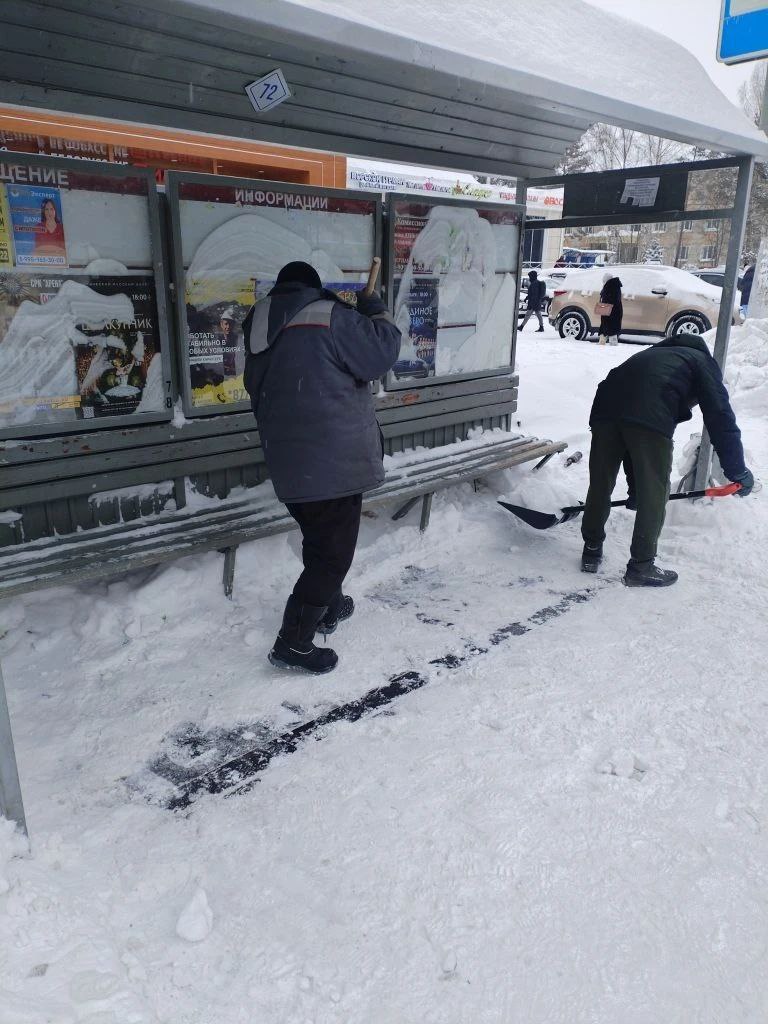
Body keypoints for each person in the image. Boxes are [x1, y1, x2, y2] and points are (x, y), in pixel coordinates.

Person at [243, 261, 401, 674]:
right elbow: (382, 351)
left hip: (289, 458)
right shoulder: (330, 317)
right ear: (312, 288)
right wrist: (373, 307)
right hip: (335, 460)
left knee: (320, 537)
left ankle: (329, 607)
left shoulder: (258, 321)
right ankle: (293, 642)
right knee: (332, 556)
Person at [580, 334, 754, 587]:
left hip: (604, 412)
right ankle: (641, 566)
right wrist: (737, 471)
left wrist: (634, 489)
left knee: (601, 482)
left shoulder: (649, 355)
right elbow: (720, 416)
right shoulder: (701, 361)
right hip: (650, 417)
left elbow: (628, 432)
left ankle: (591, 549)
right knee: (655, 491)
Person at [596, 272, 622, 345]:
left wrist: (605, 303)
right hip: (613, 310)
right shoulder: (614, 285)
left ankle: (609, 343)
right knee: (610, 326)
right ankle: (604, 341)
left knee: (610, 326)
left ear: (607, 280)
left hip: (610, 310)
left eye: (604, 280)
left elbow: (611, 298)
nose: (603, 281)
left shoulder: (610, 286)